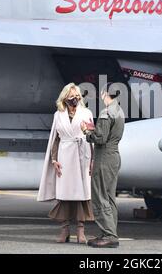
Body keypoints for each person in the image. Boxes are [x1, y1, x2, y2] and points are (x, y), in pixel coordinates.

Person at [37, 83, 94, 244]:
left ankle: (81, 232)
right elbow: (55, 139)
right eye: (71, 95)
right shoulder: (58, 115)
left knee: (82, 194)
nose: (74, 98)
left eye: (76, 95)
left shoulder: (86, 112)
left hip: (82, 154)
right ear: (65, 97)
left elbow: (91, 138)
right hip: (64, 155)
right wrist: (54, 160)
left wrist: (92, 160)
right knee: (64, 194)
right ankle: (65, 230)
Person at [81, 83, 125, 248]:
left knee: (99, 196)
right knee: (109, 197)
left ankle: (109, 235)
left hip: (104, 157)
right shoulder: (119, 111)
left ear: (105, 93)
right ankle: (109, 232)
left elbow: (100, 139)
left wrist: (86, 131)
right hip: (114, 156)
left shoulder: (106, 113)